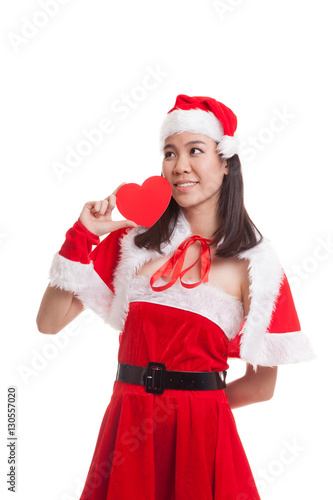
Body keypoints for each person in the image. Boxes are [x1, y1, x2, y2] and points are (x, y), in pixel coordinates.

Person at [36, 94, 316, 500]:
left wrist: (193, 410)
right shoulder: (132, 245)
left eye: (195, 150)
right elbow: (48, 322)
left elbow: (261, 387)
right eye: (170, 153)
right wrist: (81, 237)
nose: (179, 165)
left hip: (202, 443)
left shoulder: (256, 268)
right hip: (127, 432)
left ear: (225, 161)